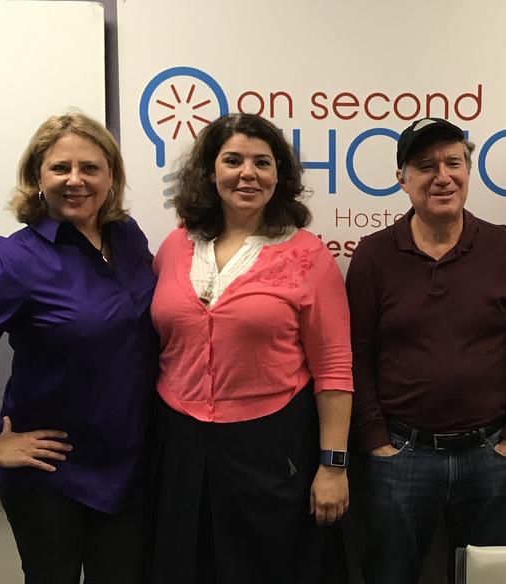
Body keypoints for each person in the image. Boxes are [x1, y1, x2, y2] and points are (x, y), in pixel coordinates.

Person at [0, 112, 157, 584]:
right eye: (60, 168)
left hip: (134, 464)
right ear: (36, 177)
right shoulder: (14, 258)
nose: (75, 180)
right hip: (53, 472)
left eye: (90, 168)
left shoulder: (129, 240)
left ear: (111, 176)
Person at [149, 113, 353, 584]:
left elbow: (335, 369)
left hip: (271, 447)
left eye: (262, 162)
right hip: (179, 443)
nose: (248, 173)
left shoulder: (307, 254)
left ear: (279, 175)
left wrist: (333, 466)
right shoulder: (175, 247)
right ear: (210, 170)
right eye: (233, 160)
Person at [347, 117, 506, 584]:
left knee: (487, 580)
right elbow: (357, 354)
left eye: (453, 163)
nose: (442, 176)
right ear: (402, 179)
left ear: (468, 170)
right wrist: (377, 441)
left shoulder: (505, 249)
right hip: (402, 455)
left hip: (491, 455)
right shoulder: (375, 255)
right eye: (425, 166)